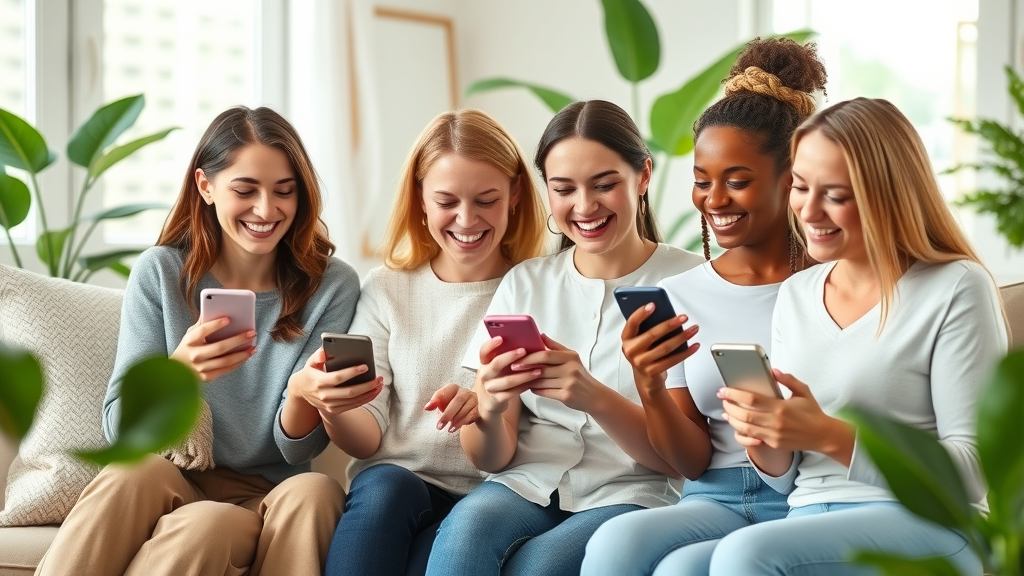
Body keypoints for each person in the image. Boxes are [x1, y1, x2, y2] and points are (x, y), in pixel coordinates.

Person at [35, 106, 366, 576]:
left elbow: (297, 450)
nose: (266, 210)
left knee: (315, 493)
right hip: (171, 475)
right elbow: (120, 431)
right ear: (205, 186)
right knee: (136, 471)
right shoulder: (161, 273)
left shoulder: (331, 285)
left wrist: (300, 393)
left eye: (284, 191)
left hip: (267, 492)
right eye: (245, 190)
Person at [707, 98, 1007, 575]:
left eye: (836, 195)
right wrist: (764, 433)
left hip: (932, 522)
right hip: (807, 511)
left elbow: (973, 475)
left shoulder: (955, 287)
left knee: (744, 556)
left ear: (887, 195)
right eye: (800, 187)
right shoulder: (797, 294)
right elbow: (786, 481)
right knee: (680, 567)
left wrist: (828, 433)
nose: (808, 210)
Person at [423, 99, 705, 576]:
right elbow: (492, 455)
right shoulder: (525, 284)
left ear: (643, 177)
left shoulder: (691, 283)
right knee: (463, 532)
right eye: (564, 189)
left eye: (604, 184)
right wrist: (489, 406)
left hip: (631, 493)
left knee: (540, 566)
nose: (585, 206)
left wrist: (592, 396)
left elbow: (676, 462)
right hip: (524, 482)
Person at [580, 37, 827, 576]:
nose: (714, 200)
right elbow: (689, 460)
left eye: (737, 181)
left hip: (805, 494)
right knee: (613, 545)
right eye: (701, 182)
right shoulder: (683, 292)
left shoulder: (828, 287)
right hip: (710, 497)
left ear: (792, 181)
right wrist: (649, 384)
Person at [322, 109, 546, 576]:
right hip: (395, 484)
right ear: (420, 199)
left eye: (487, 200)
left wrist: (486, 403)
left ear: (515, 194)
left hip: (491, 492)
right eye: (447, 200)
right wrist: (333, 405)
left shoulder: (535, 288)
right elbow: (365, 440)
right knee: (384, 487)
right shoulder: (386, 289)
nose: (467, 219)